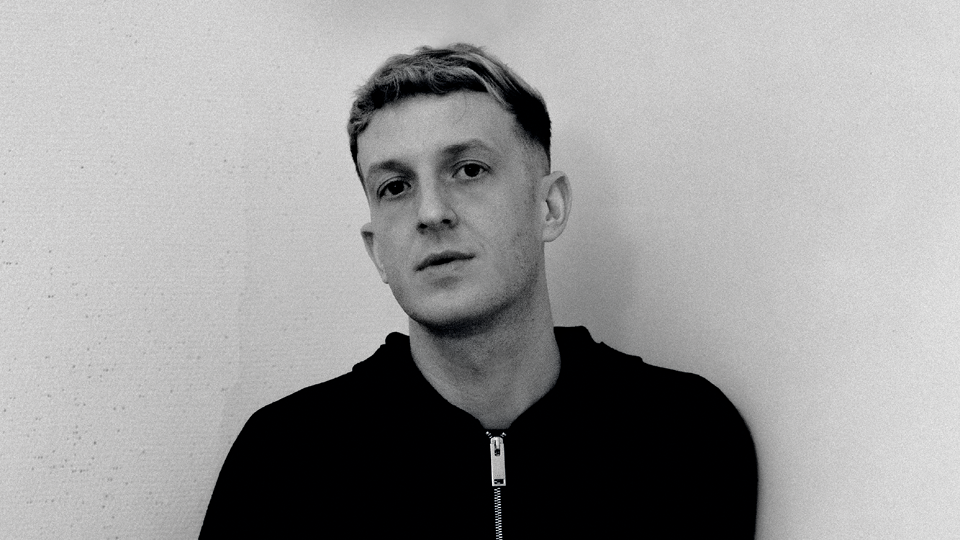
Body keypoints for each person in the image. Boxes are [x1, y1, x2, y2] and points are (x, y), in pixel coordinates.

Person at [200, 43, 757, 539]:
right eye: (395, 186)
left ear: (548, 207)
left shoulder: (687, 437)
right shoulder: (283, 463)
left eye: (468, 170)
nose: (431, 212)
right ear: (378, 250)